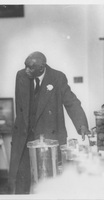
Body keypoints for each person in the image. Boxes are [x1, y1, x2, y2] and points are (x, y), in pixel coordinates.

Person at [8, 51, 91, 194]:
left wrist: (81, 124)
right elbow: (19, 107)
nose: (26, 70)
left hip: (48, 138)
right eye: (25, 66)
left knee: (47, 182)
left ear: (42, 67)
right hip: (24, 136)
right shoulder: (20, 76)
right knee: (21, 180)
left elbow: (71, 102)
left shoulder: (57, 77)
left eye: (31, 67)